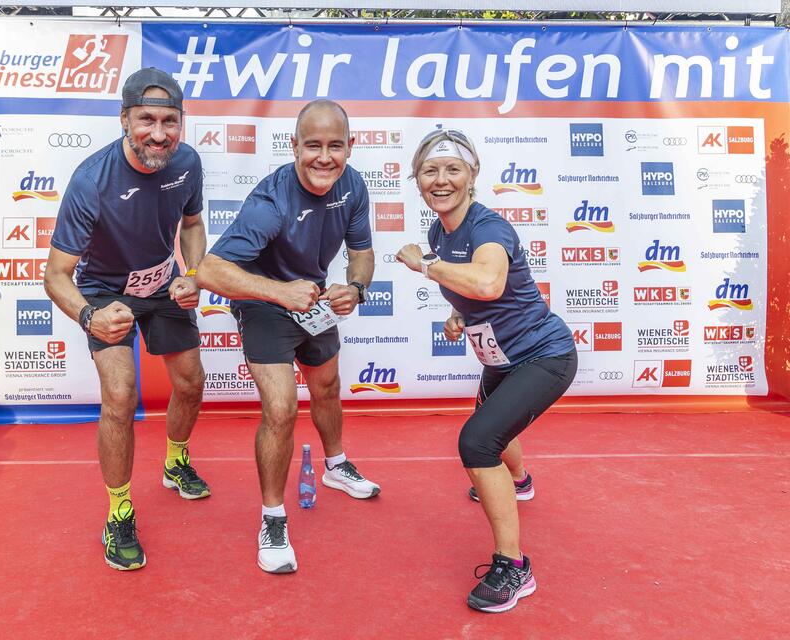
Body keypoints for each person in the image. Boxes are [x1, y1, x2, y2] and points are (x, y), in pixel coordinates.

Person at [195, 99, 380, 574]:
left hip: (312, 298)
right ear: (293, 146)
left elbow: (362, 253)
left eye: (335, 146)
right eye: (313, 145)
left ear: (350, 148)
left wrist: (356, 288)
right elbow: (210, 270)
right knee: (280, 408)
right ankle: (272, 518)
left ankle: (336, 466)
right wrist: (279, 292)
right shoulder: (270, 202)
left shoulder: (353, 184)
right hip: (262, 301)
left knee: (327, 387)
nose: (324, 157)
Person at [396, 129, 577, 612]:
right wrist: (460, 314)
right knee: (494, 423)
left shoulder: (487, 228)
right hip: (499, 356)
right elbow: (473, 294)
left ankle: (514, 568)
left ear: (472, 176)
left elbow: (490, 280)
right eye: (430, 171)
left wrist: (427, 265)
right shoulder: (441, 229)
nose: (441, 180)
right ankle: (519, 484)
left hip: (544, 355)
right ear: (417, 181)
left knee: (477, 442)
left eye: (452, 169)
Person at [44, 67, 210, 572]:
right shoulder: (91, 180)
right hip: (103, 291)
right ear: (124, 120)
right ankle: (118, 510)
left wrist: (195, 272)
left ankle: (175, 461)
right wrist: (89, 315)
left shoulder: (188, 162)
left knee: (191, 380)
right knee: (120, 395)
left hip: (160, 283)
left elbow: (194, 224)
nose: (158, 133)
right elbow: (55, 275)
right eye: (146, 120)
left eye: (169, 121)